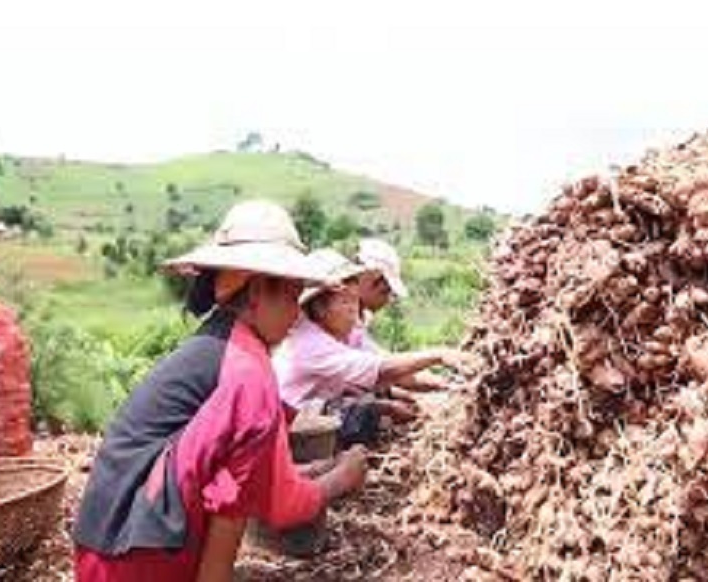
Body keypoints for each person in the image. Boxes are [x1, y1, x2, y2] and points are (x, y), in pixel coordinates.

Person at [73, 201, 367, 582]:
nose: (297, 314)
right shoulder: (248, 372)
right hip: (144, 561)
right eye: (293, 297)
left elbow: (225, 464)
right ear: (259, 290)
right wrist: (342, 477)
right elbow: (279, 506)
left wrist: (305, 471)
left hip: (102, 548)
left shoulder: (217, 345)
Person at [274, 249, 473, 446]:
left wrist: (450, 386)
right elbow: (381, 370)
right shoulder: (309, 343)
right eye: (345, 302)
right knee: (366, 418)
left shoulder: (348, 331)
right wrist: (438, 355)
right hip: (295, 429)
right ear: (319, 308)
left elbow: (394, 370)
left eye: (354, 300)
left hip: (321, 412)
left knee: (377, 404)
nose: (353, 310)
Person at [353, 239, 451, 393]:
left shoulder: (356, 319)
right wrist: (440, 357)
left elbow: (383, 360)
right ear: (369, 280)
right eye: (384, 292)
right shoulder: (338, 321)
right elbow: (384, 370)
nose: (386, 301)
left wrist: (444, 382)